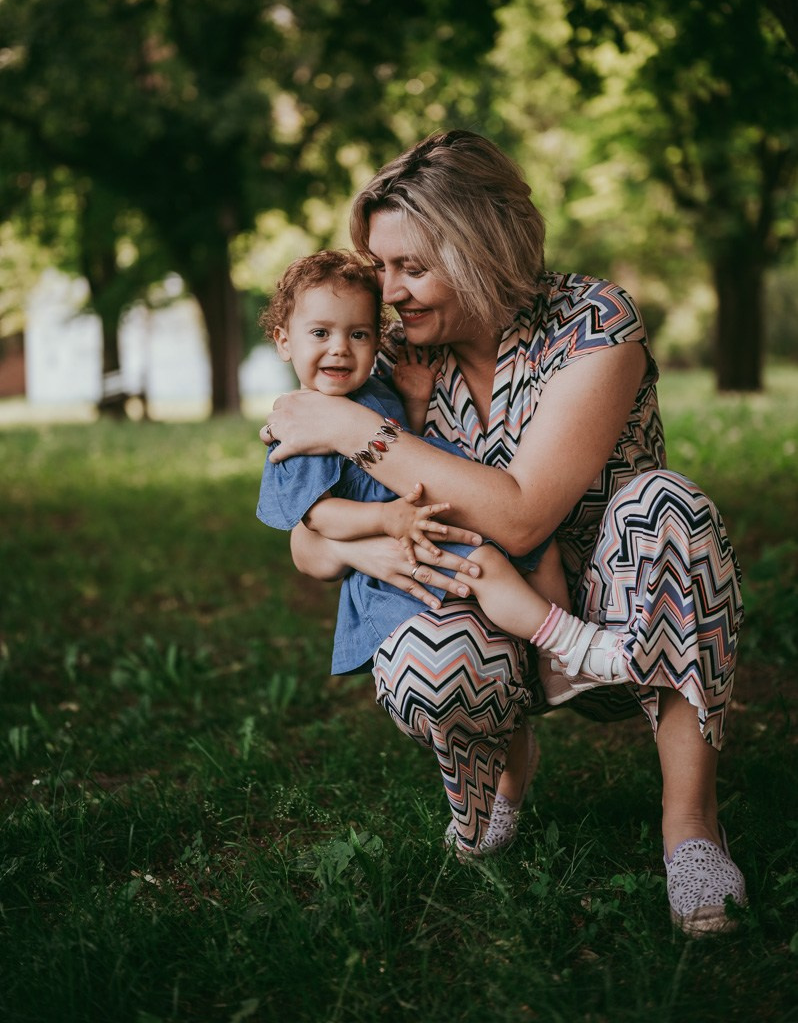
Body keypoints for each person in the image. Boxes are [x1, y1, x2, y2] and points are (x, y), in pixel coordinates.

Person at [261, 131, 746, 936]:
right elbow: (304, 539)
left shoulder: (595, 321)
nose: (390, 293)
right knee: (424, 660)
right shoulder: (384, 353)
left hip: (619, 614)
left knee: (667, 505)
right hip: (481, 605)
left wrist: (357, 433)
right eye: (381, 269)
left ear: (483, 248)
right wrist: (364, 542)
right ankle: (497, 786)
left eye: (411, 267)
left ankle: (691, 828)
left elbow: (525, 511)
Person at [256, 252, 570, 848]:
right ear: (283, 339)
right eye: (319, 333)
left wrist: (416, 402)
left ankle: (556, 658)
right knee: (451, 675)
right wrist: (385, 520)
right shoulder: (297, 426)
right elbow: (317, 517)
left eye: (359, 334)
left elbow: (409, 451)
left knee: (532, 553)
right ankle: (476, 812)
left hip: (432, 536)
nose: (340, 350)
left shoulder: (377, 394)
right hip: (395, 584)